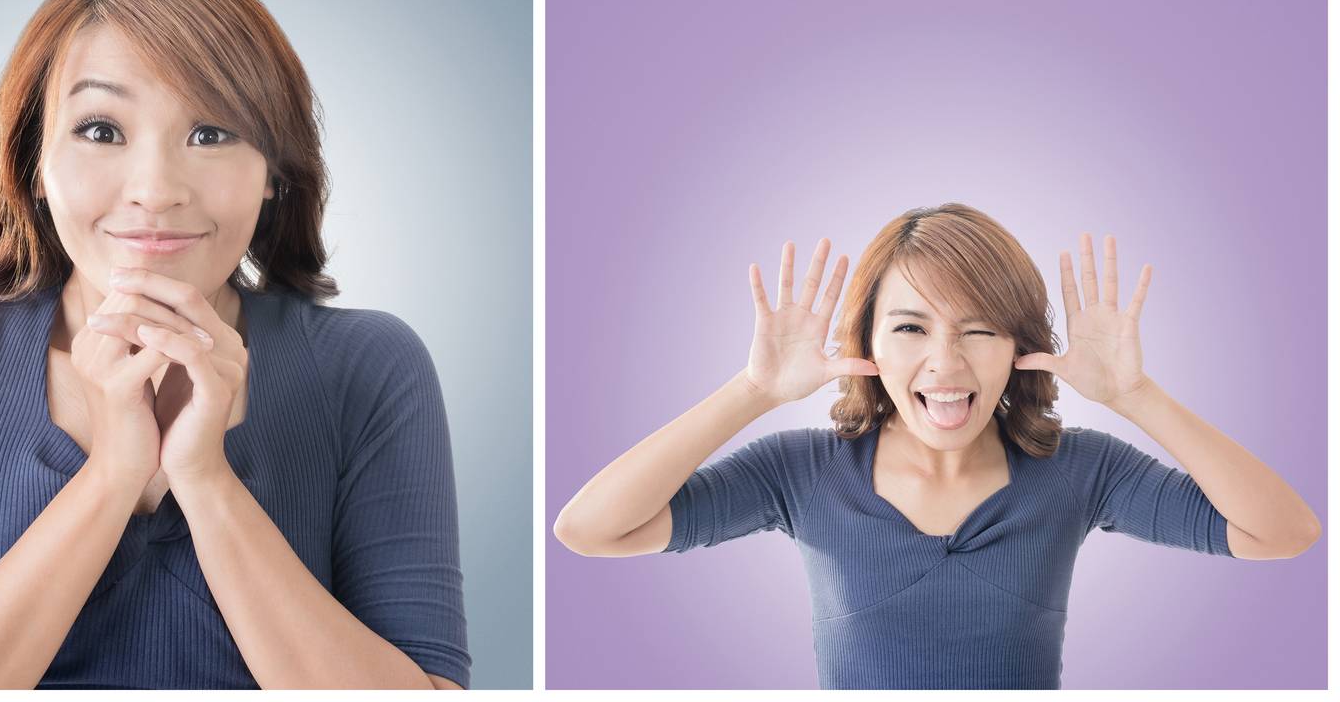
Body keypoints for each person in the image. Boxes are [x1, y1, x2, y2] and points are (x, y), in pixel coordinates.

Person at [0, 0, 469, 689]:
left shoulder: (371, 365)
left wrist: (205, 479)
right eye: (101, 130)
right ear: (35, 159)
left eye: (212, 132)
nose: (156, 189)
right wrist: (112, 474)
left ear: (274, 173)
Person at [555, 204, 1319, 689]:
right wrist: (751, 392)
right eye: (911, 327)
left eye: (979, 329)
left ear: (1021, 348)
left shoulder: (1079, 470)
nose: (946, 365)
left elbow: (1283, 532)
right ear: (868, 345)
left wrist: (1133, 396)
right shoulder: (802, 473)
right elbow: (591, 529)